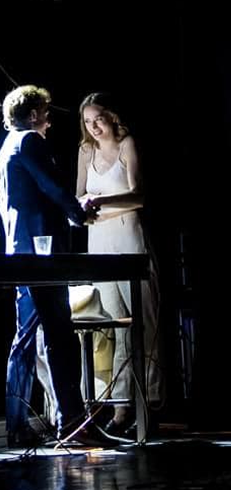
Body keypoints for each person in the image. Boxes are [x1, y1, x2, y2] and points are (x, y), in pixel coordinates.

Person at [0, 84, 111, 447]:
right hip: (42, 256)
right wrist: (80, 212)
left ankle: (16, 426)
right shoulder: (29, 141)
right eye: (44, 112)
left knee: (25, 341)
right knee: (60, 338)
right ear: (31, 115)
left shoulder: (3, 151)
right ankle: (73, 424)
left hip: (20, 255)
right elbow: (53, 188)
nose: (48, 121)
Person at [77, 92, 164, 435]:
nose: (94, 127)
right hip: (99, 243)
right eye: (87, 122)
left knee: (146, 327)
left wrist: (100, 202)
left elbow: (138, 194)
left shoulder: (127, 143)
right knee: (116, 328)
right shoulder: (85, 151)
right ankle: (122, 407)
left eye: (98, 119)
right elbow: (79, 197)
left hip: (129, 240)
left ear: (112, 116)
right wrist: (87, 206)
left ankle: (152, 402)